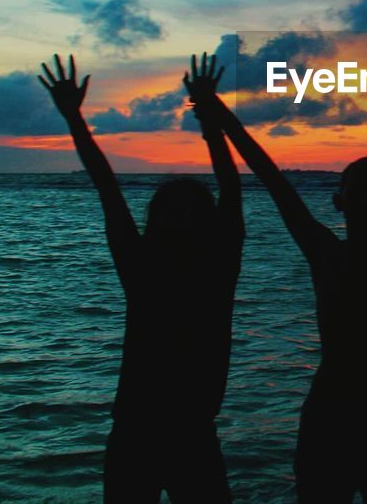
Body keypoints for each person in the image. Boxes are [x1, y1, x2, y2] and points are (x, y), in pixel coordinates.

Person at [195, 15, 367, 503]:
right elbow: (270, 176)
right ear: (341, 200)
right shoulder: (347, 252)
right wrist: (219, 113)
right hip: (340, 416)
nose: (365, 197)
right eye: (358, 189)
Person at [38, 52, 244, 502]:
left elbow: (230, 190)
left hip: (183, 434)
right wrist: (74, 120)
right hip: (140, 432)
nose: (183, 219)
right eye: (175, 212)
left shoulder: (209, 269)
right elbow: (108, 189)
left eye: (190, 212)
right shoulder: (149, 268)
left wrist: (210, 115)